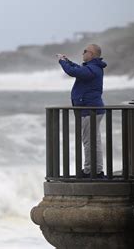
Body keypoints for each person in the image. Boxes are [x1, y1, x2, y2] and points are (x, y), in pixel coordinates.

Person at [56, 44, 107, 178]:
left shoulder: (93, 69)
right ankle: (97, 170)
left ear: (91, 54)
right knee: (94, 141)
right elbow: (78, 68)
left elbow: (73, 72)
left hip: (90, 110)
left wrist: (62, 62)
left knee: (89, 142)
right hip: (92, 110)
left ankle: (90, 171)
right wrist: (68, 61)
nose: (82, 53)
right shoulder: (92, 68)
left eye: (85, 51)